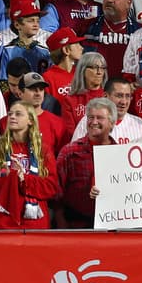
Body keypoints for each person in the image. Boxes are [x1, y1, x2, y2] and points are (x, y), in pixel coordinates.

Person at [0, 100, 60, 229]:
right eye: (10, 113)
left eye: (18, 114)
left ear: (30, 121)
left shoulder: (43, 151)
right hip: (0, 222)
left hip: (34, 223)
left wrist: (24, 179)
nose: (12, 116)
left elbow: (51, 188)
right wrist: (11, 179)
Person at [55, 97, 117, 228]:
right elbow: (57, 193)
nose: (94, 122)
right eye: (90, 117)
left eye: (100, 118)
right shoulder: (69, 152)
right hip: (75, 226)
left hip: (111, 227)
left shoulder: (121, 154)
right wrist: (62, 225)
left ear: (112, 123)